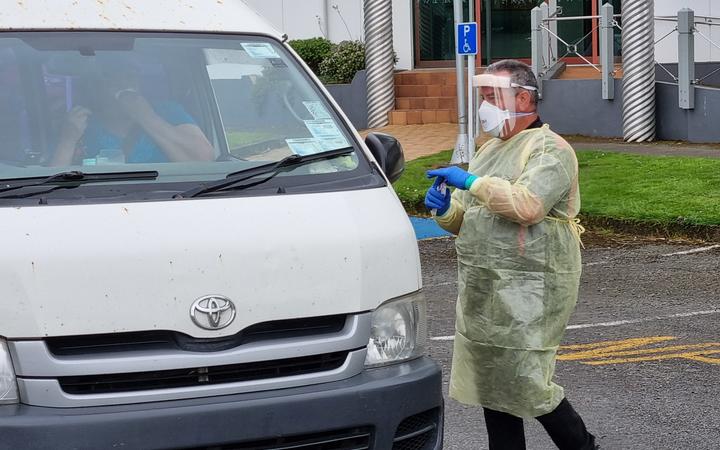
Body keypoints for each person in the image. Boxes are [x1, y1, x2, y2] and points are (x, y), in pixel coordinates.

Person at [425, 60, 598, 450]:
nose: (484, 106)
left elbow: (528, 206)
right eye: (483, 97)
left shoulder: (550, 149)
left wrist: (471, 180)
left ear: (523, 97)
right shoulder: (489, 151)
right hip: (485, 284)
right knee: (492, 379)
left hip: (532, 284)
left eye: (491, 97)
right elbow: (465, 217)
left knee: (527, 377)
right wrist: (443, 208)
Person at [52, 65, 213, 166]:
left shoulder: (168, 111)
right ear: (95, 86)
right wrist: (67, 140)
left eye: (130, 76)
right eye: (112, 77)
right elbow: (51, 186)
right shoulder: (78, 123)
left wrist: (146, 117)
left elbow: (205, 160)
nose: (123, 83)